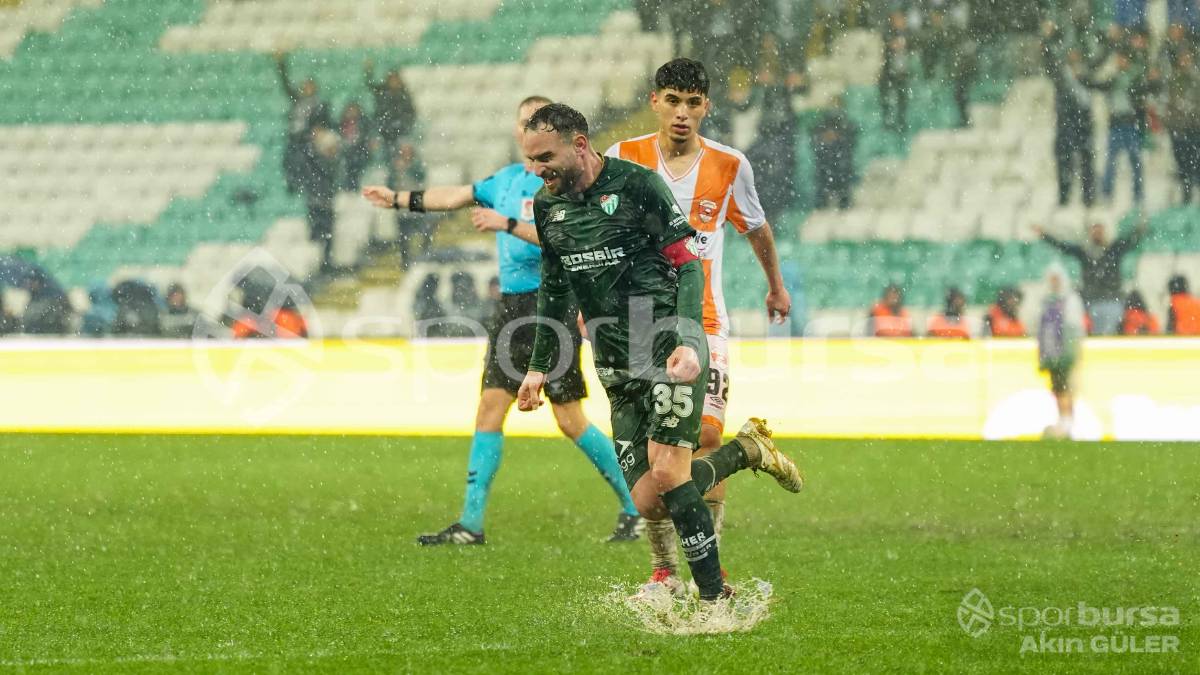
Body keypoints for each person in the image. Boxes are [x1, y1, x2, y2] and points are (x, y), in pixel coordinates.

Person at [515, 103, 804, 606]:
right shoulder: (548, 207)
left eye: (544, 157)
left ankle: (715, 598)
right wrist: (539, 367)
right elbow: (554, 289)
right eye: (530, 160)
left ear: (579, 144)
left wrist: (690, 341)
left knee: (671, 474)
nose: (535, 170)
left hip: (666, 347)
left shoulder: (637, 186)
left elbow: (689, 264)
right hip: (613, 361)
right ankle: (746, 451)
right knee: (649, 500)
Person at [361, 97, 644, 545]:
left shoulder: (562, 185)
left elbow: (559, 242)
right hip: (512, 307)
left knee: (570, 418)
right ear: (519, 131)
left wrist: (506, 223)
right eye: (524, 121)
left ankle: (637, 507)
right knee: (491, 408)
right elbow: (453, 196)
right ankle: (471, 524)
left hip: (550, 305)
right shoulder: (506, 180)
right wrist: (398, 199)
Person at [605, 58, 793, 595]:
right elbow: (608, 232)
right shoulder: (626, 157)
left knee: (703, 435)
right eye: (672, 100)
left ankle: (711, 565)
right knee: (650, 459)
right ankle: (664, 572)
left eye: (693, 102)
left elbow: (756, 227)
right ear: (655, 101)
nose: (682, 113)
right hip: (639, 320)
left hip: (703, 319)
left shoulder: (731, 165)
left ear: (707, 106)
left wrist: (775, 285)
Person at [1034, 220, 1147, 335]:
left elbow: (1130, 242)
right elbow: (1063, 246)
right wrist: (1044, 236)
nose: (1097, 233)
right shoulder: (1085, 253)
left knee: (1108, 332)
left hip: (1112, 300)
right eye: (1095, 230)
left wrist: (1140, 230)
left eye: (1099, 230)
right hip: (1092, 302)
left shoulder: (1114, 250)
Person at [1044, 26, 1097, 206]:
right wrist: (1048, 39)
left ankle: (1088, 197)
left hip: (1082, 123)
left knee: (1086, 161)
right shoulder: (1061, 75)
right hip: (1065, 123)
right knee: (1064, 162)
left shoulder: (1086, 74)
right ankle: (1064, 196)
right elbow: (1049, 62)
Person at [1038, 263, 1086, 440]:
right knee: (1058, 389)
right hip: (1051, 354)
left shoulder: (1069, 300)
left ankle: (1068, 422)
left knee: (1066, 388)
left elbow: (1074, 328)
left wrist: (1070, 352)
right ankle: (1063, 421)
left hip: (1065, 352)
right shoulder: (1047, 301)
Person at [275, 51, 331, 195]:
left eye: (309, 86)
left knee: (304, 160)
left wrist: (315, 130)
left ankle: (303, 185)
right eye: (305, 86)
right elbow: (286, 85)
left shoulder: (319, 104)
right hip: (294, 136)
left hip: (306, 137)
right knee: (289, 160)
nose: (306, 88)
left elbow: (323, 120)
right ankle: (292, 184)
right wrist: (281, 65)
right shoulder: (299, 100)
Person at [365, 60, 417, 181]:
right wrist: (368, 71)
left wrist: (402, 127)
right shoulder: (382, 93)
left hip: (400, 131)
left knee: (401, 150)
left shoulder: (404, 96)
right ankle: (383, 173)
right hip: (384, 131)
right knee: (379, 150)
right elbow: (370, 85)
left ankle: (400, 174)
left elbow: (410, 115)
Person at [1164, 49, 1200, 204]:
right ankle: (1187, 196)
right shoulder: (1175, 79)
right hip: (1178, 129)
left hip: (1194, 128)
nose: (1184, 61)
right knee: (1182, 164)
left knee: (1195, 164)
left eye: (1187, 58)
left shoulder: (1196, 79)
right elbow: (1169, 102)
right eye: (1182, 58)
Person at [390, 142, 433, 269]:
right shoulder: (395, 167)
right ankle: (405, 261)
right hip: (402, 202)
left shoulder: (417, 165)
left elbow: (421, 176)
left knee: (423, 231)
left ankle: (424, 256)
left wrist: (407, 168)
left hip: (415, 199)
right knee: (403, 236)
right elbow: (390, 183)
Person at [810, 95, 857, 209]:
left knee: (842, 169)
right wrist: (824, 139)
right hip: (826, 155)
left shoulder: (846, 122)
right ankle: (823, 199)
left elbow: (851, 138)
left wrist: (839, 138)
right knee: (824, 171)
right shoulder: (822, 122)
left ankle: (843, 199)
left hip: (840, 155)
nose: (834, 108)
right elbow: (814, 137)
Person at [338, 102, 372, 192]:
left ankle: (353, 185)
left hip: (359, 148)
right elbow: (339, 135)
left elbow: (366, 136)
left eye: (354, 110)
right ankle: (348, 185)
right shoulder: (342, 122)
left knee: (355, 161)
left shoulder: (363, 122)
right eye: (350, 110)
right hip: (345, 148)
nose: (351, 113)